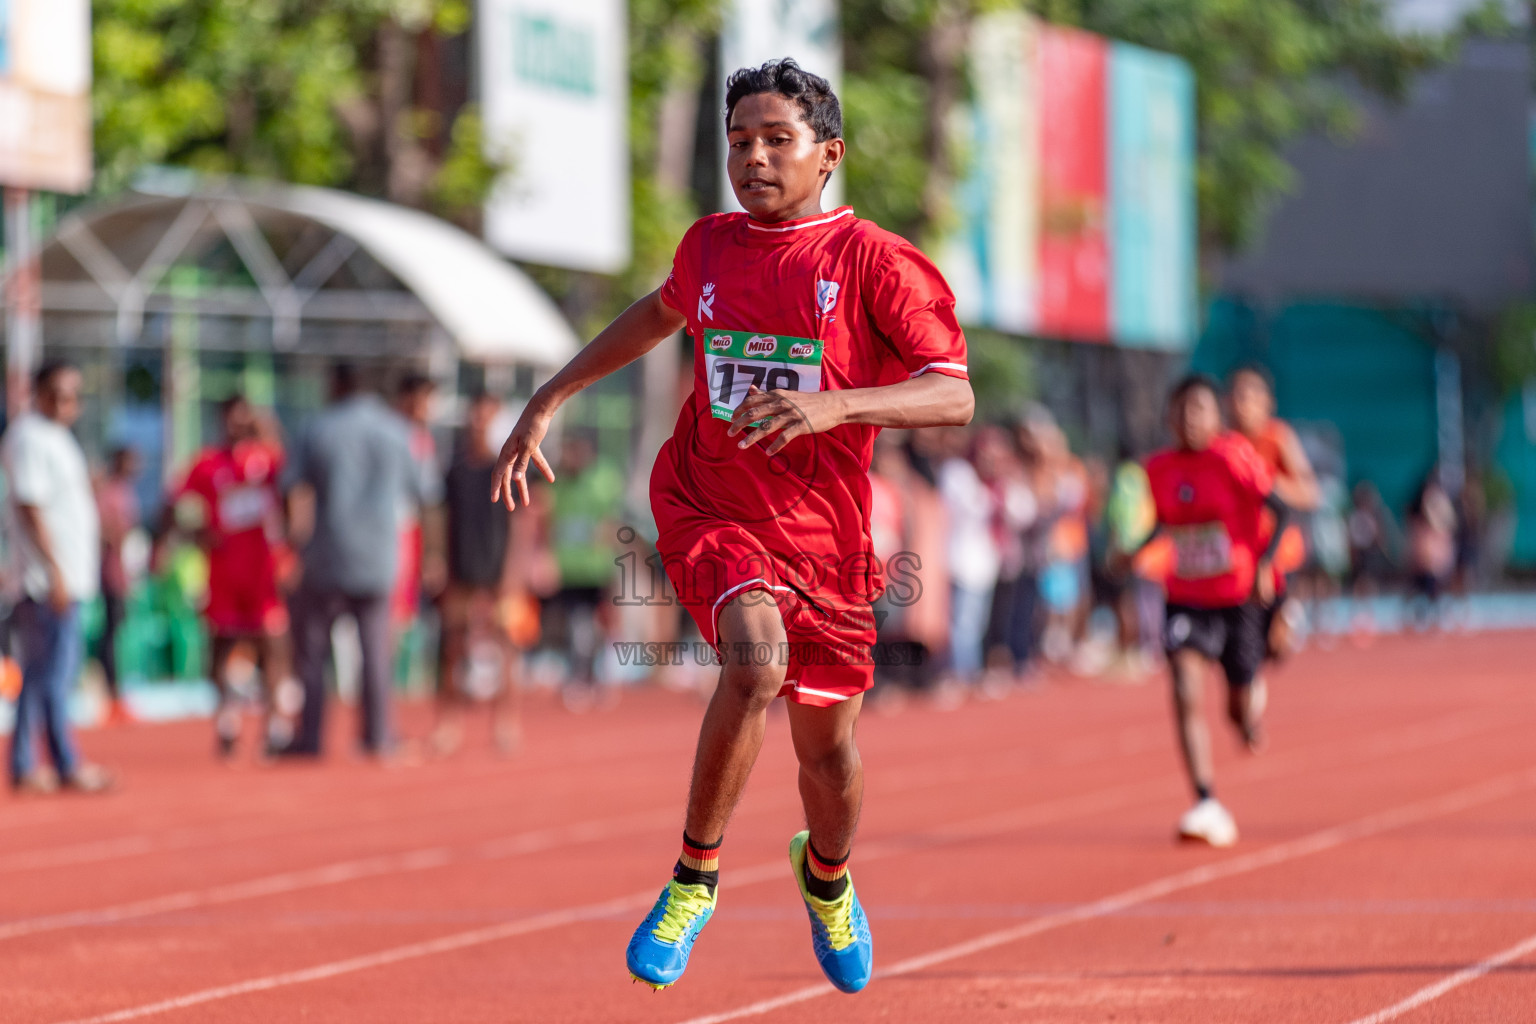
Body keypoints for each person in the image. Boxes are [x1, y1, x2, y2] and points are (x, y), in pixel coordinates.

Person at [491, 59, 973, 994]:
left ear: (828, 155)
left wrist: (837, 407)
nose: (753, 158)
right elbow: (658, 313)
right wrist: (552, 394)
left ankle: (826, 878)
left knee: (828, 755)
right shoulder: (709, 246)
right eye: (739, 141)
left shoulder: (875, 260)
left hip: (824, 538)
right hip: (709, 503)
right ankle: (693, 879)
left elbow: (950, 395)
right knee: (755, 663)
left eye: (775, 141)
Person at [1132, 375, 1290, 847]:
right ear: (1168, 418)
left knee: (1236, 707)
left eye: (1199, 410)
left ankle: (1248, 713)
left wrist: (1265, 563)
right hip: (1187, 597)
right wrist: (1133, 551)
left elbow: (1281, 510)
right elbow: (1163, 523)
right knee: (1183, 685)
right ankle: (1206, 800)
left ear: (1216, 417)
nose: (1189, 419)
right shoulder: (1157, 468)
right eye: (1180, 411)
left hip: (1238, 596)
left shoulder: (1234, 457)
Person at [281, 364, 429, 758]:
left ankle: (311, 737)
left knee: (312, 652)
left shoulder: (318, 427)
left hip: (326, 554)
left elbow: (294, 489)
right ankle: (378, 736)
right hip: (380, 556)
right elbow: (424, 492)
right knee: (377, 653)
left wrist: (294, 547)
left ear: (337, 385)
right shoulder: (399, 432)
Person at [2, 361, 113, 793]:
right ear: (41, 393)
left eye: (76, 396)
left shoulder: (57, 437)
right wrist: (54, 571)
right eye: (63, 395)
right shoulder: (30, 436)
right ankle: (64, 762)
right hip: (47, 581)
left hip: (65, 577)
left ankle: (29, 764)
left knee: (42, 673)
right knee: (53, 674)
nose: (72, 405)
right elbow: (30, 508)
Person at [167, 395, 291, 757]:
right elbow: (172, 506)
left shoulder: (269, 459)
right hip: (223, 573)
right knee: (220, 648)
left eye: (245, 419)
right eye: (231, 419)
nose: (238, 426)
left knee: (272, 646)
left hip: (263, 573)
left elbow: (295, 489)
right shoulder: (206, 463)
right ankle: (227, 723)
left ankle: (276, 726)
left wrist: (268, 431)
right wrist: (195, 534)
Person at [433, 391, 531, 755]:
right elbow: (443, 520)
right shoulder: (455, 469)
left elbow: (522, 523)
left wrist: (513, 573)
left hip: (499, 569)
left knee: (506, 647)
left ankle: (506, 725)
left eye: (486, 417)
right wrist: (441, 563)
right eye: (475, 416)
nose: (479, 423)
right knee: (453, 647)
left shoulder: (513, 467)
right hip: (461, 569)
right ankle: (449, 725)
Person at [1227, 365, 1319, 660]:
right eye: (1237, 396)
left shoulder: (1278, 438)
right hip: (1238, 552)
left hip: (1279, 550)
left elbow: (1310, 493)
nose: (1243, 404)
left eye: (1251, 396)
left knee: (1275, 648)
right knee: (1247, 647)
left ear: (1268, 403)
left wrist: (1267, 482)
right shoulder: (1224, 444)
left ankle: (1288, 616)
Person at [545, 431, 624, 707]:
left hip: (598, 568)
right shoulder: (556, 483)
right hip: (569, 569)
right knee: (577, 627)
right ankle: (579, 678)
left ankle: (602, 678)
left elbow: (611, 522)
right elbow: (547, 523)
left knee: (602, 625)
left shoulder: (603, 479)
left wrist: (614, 562)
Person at [95, 445, 141, 725]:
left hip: (123, 574)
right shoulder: (110, 492)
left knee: (117, 633)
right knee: (110, 635)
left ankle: (117, 692)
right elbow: (106, 529)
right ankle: (111, 694)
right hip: (110, 573)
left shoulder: (125, 491)